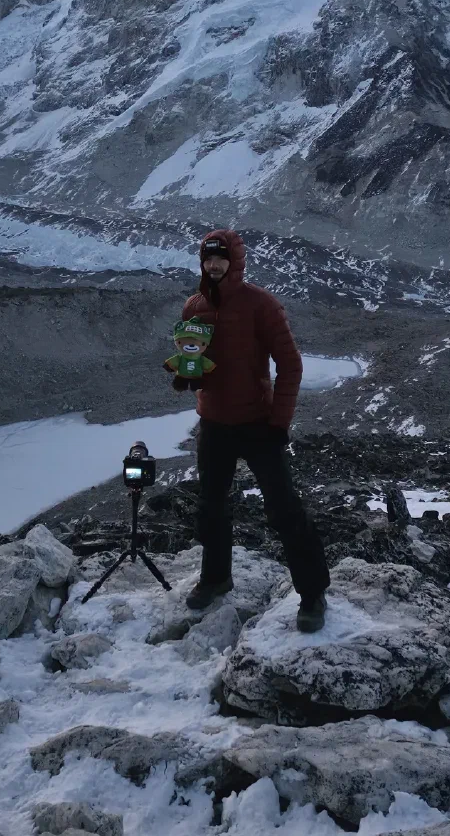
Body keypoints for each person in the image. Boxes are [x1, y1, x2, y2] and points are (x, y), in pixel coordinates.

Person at [180, 228, 330, 632]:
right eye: (208, 258)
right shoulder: (194, 307)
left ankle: (313, 593)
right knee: (210, 507)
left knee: (284, 509)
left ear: (235, 261)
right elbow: (195, 360)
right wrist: (187, 375)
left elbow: (291, 365)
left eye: (221, 258)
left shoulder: (260, 305)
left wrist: (278, 422)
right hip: (213, 423)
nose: (214, 265)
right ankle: (215, 577)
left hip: (257, 423)